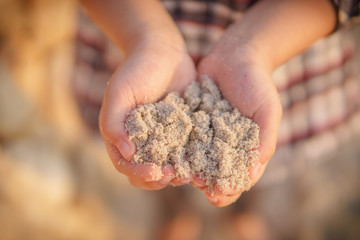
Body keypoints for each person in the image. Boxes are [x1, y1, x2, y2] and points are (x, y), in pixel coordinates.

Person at [78, 0, 360, 208]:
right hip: (129, 22)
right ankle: (176, 212)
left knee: (258, 159)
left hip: (283, 41)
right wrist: (145, 36)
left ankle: (244, 213)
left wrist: (255, 48)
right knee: (162, 171)